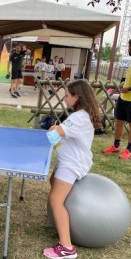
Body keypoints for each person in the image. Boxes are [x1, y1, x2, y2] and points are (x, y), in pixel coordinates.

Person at [43, 80, 101, 259]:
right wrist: (57, 129)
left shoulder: (78, 118)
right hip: (68, 161)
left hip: (71, 164)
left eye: (67, 95)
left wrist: (54, 129)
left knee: (55, 200)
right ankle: (61, 220)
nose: (64, 98)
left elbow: (55, 134)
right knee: (53, 182)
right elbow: (61, 134)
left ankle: (67, 248)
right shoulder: (81, 115)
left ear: (78, 97)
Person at [102, 39, 131, 159]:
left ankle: (129, 150)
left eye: (129, 46)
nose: (128, 49)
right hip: (123, 98)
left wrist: (129, 88)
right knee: (119, 121)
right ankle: (116, 145)